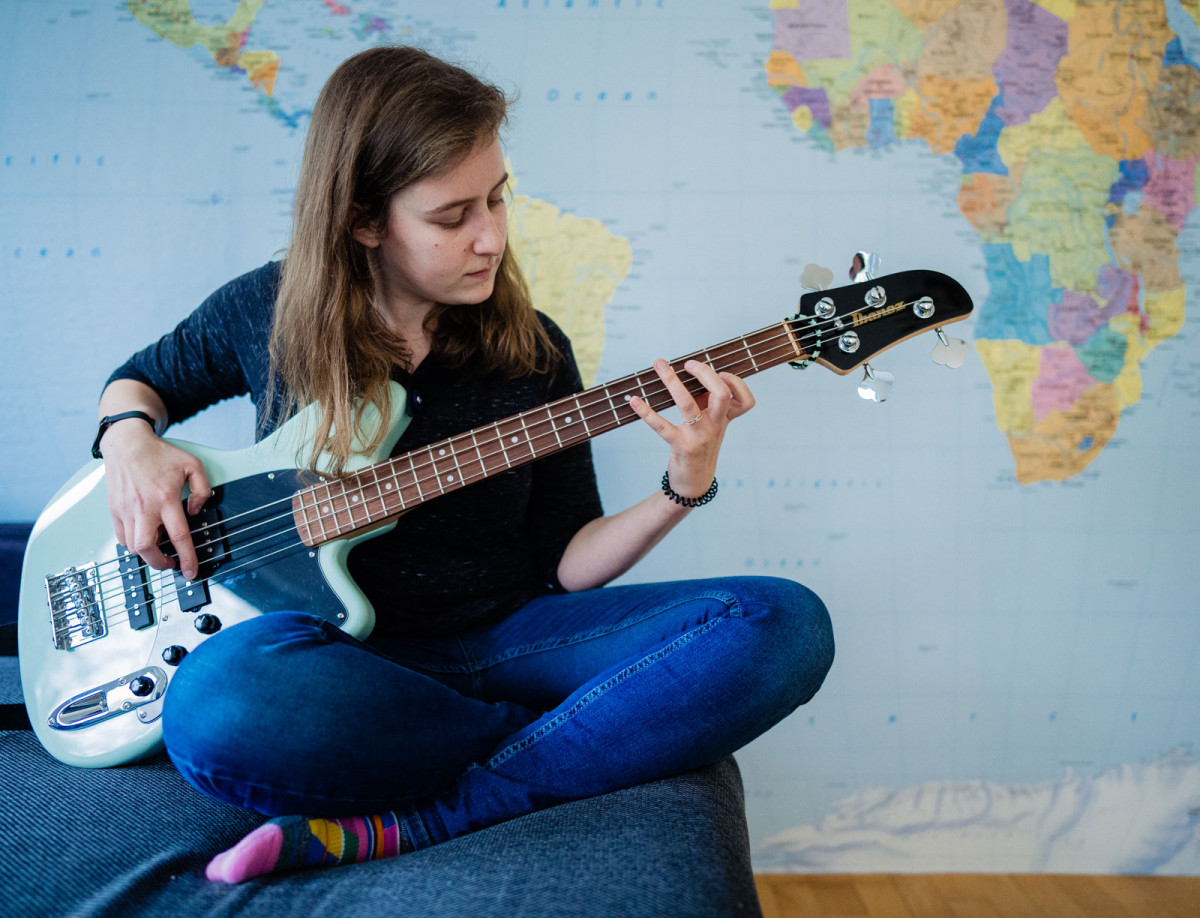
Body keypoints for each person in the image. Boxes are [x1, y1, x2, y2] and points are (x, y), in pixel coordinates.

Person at [93, 45, 834, 884]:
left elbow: (568, 559)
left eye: (497, 199)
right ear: (364, 220)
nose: (492, 237)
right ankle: (571, 737)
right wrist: (128, 441)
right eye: (453, 217)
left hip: (510, 637)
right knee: (217, 703)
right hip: (345, 662)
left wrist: (685, 483)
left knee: (782, 624)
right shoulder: (265, 309)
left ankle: (445, 809)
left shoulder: (530, 346)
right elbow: (143, 381)